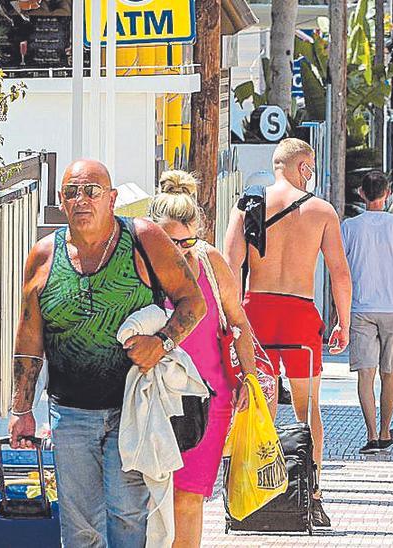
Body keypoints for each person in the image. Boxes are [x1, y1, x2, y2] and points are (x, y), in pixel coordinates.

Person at [8, 159, 207, 547]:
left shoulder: (143, 239)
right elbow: (29, 336)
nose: (82, 199)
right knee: (79, 525)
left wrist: (162, 341)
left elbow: (192, 302)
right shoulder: (44, 257)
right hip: (69, 413)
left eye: (92, 191)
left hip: (132, 407)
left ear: (112, 199)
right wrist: (21, 410)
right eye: (72, 192)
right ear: (62, 202)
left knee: (128, 516)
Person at [223, 137, 352, 526]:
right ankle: (311, 494)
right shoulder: (321, 210)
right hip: (299, 312)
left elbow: (230, 266)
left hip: (255, 313)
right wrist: (343, 322)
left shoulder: (248, 206)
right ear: (303, 168)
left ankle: (243, 488)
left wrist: (231, 321)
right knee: (306, 407)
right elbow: (339, 273)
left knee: (251, 404)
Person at [146, 171, 260, 548]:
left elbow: (239, 322)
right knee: (146, 501)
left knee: (189, 499)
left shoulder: (210, 263)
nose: (178, 250)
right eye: (168, 241)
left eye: (186, 241)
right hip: (150, 400)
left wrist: (251, 377)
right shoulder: (139, 264)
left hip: (208, 402)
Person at [340, 171, 393, 454]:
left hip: (361, 308)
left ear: (362, 194)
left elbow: (341, 272)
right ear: (387, 194)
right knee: (390, 374)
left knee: (365, 375)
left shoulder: (349, 227)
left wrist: (341, 312)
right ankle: (386, 431)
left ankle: (371, 434)